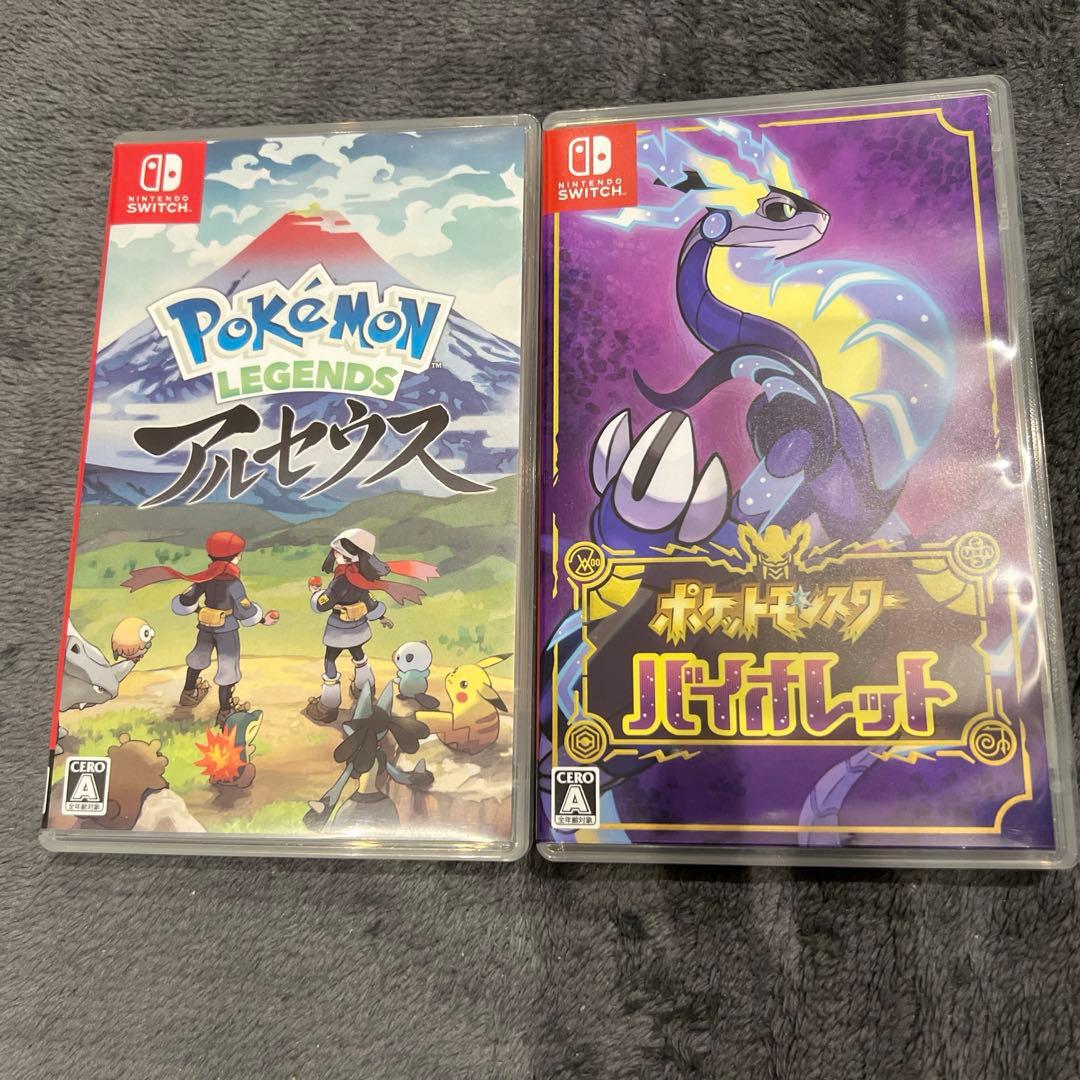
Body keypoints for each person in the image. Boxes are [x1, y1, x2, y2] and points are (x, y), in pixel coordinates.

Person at [122, 530, 278, 723]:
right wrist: (262, 620)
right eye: (239, 553)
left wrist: (199, 610)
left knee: (198, 657)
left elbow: (187, 599)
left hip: (205, 626)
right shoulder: (233, 583)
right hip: (227, 629)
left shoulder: (206, 578)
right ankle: (226, 711)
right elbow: (243, 610)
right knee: (228, 668)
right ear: (235, 556)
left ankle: (189, 693)